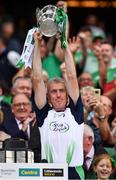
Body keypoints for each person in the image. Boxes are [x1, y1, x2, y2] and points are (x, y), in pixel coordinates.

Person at [32, 29, 84, 179]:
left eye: (62, 90)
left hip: (74, 171)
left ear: (68, 95)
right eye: (53, 92)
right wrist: (37, 44)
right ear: (48, 97)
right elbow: (36, 78)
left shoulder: (75, 111)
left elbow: (72, 75)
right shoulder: (44, 113)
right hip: (49, 172)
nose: (58, 94)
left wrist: (65, 45)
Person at [0, 93, 41, 162]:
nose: (22, 107)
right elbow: (9, 147)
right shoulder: (4, 124)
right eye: (18, 105)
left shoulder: (38, 124)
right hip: (12, 165)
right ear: (12, 108)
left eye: (24, 104)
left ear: (30, 107)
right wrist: (23, 130)